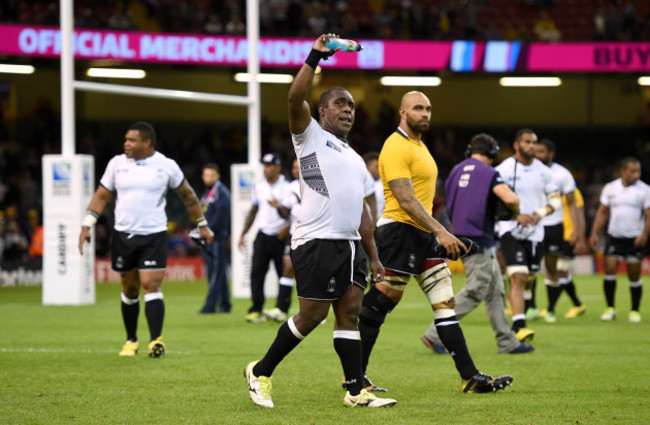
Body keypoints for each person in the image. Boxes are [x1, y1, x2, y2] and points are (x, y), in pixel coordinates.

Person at [245, 33, 396, 409]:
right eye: (340, 103)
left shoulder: (356, 158)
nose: (348, 109)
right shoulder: (309, 136)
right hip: (316, 239)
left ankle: (356, 390)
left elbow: (363, 210)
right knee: (312, 316)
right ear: (323, 111)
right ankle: (260, 372)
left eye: (351, 106)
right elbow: (295, 97)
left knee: (350, 314)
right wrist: (315, 55)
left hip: (349, 245)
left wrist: (373, 254)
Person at [358, 91, 513, 394]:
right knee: (380, 303)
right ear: (402, 112)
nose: (425, 113)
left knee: (446, 305)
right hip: (399, 231)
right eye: (418, 108)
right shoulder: (395, 145)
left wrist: (437, 233)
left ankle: (470, 377)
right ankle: (355, 374)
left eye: (428, 109)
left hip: (423, 235)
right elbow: (404, 199)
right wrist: (443, 232)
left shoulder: (420, 147)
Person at [78, 121, 214, 357]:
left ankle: (155, 340)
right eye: (126, 139)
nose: (126, 144)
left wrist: (202, 225)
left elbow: (188, 195)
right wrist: (87, 224)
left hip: (153, 235)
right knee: (129, 288)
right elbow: (101, 195)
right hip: (123, 235)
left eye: (131, 140)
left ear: (147, 142)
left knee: (151, 285)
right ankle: (131, 340)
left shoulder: (166, 166)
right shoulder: (116, 164)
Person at [421, 133, 534, 355]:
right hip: (480, 239)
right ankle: (434, 334)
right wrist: (514, 211)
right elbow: (510, 199)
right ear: (492, 153)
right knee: (475, 290)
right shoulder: (490, 172)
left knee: (495, 291)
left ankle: (507, 342)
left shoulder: (455, 171)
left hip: (459, 235)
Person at [494, 129, 560, 340]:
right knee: (518, 275)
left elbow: (556, 200)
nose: (532, 146)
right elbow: (494, 198)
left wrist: (540, 213)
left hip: (535, 232)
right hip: (510, 229)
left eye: (534, 143)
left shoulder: (543, 171)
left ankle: (517, 305)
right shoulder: (504, 169)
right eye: (527, 142)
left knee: (529, 276)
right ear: (517, 145)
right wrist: (516, 215)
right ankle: (519, 326)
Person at [589, 157, 650, 323]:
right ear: (623, 171)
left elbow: (648, 215)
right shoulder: (611, 188)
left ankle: (634, 310)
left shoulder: (645, 190)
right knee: (609, 270)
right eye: (633, 171)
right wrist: (594, 233)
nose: (636, 174)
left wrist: (644, 235)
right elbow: (602, 212)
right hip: (614, 236)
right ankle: (610, 308)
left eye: (638, 171)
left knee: (634, 274)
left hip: (634, 238)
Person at [534, 139, 586, 322]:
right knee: (543, 269)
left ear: (551, 153)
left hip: (560, 230)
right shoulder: (531, 172)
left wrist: (579, 233)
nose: (538, 155)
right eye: (536, 151)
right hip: (537, 227)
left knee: (557, 269)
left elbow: (576, 207)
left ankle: (551, 309)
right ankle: (575, 304)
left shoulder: (563, 176)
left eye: (541, 151)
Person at [238, 152, 291, 323]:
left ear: (278, 167)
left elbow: (293, 213)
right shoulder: (259, 186)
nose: (265, 169)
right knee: (257, 272)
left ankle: (281, 308)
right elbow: (253, 211)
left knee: (282, 273)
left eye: (269, 166)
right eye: (264, 165)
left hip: (281, 234)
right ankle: (256, 308)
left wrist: (281, 213)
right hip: (263, 234)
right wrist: (243, 233)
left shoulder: (287, 187)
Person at [266, 157, 300, 322]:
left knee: (312, 272)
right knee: (287, 267)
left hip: (313, 233)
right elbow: (286, 212)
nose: (295, 170)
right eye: (293, 167)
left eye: (298, 167)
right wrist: (278, 207)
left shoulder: (316, 184)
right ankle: (281, 309)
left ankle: (316, 310)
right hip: (294, 234)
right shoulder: (290, 187)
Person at [197, 163, 231, 314]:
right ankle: (225, 303)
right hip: (208, 237)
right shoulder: (208, 192)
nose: (207, 178)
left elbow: (221, 218)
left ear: (218, 176)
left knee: (215, 272)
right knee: (219, 271)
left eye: (211, 175)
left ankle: (210, 306)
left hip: (215, 238)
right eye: (205, 175)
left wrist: (209, 232)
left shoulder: (221, 192)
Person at [363, 151, 384, 223]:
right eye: (376, 167)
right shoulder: (366, 177)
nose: (379, 170)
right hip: (368, 223)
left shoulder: (382, 182)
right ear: (368, 167)